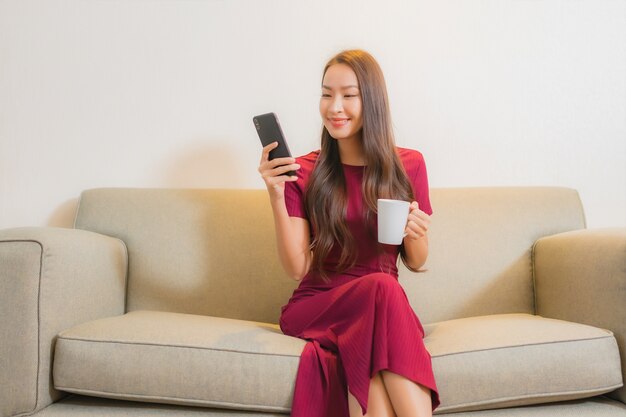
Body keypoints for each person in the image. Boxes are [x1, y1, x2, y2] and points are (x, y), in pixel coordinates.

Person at [258, 49, 439, 417]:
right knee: (383, 287)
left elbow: (417, 261)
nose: (334, 107)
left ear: (370, 100)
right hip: (318, 303)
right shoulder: (305, 171)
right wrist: (276, 194)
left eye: (348, 95)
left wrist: (415, 230)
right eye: (327, 94)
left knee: (381, 295)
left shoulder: (409, 164)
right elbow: (296, 268)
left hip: (380, 307)